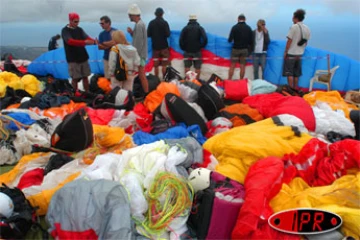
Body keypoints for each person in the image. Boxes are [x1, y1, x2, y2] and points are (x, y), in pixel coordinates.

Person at [61, 12, 97, 92]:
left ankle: (87, 92)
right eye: (75, 21)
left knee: (85, 77)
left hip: (83, 57)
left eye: (78, 21)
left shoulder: (79, 30)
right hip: (73, 59)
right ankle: (74, 94)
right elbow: (70, 41)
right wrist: (84, 43)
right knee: (75, 78)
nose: (77, 23)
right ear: (70, 21)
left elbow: (87, 38)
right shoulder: (65, 31)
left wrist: (95, 42)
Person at [283, 9, 311, 89]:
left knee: (289, 73)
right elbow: (306, 43)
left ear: (295, 18)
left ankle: (291, 90)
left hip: (291, 53)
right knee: (296, 73)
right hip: (300, 54)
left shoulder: (293, 27)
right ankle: (295, 89)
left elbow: (289, 40)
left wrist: (286, 51)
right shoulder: (307, 28)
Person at [127, 3, 149, 94]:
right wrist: (132, 33)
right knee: (141, 75)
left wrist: (135, 56)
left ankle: (146, 93)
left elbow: (139, 43)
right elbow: (138, 39)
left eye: (130, 15)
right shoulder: (139, 24)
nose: (129, 17)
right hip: (141, 54)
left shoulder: (139, 25)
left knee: (141, 75)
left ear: (133, 15)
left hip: (139, 55)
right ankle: (145, 92)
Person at [179, 15, 208, 79]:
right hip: (197, 51)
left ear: (189, 20)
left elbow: (181, 39)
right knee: (197, 67)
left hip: (187, 50)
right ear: (196, 20)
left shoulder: (185, 28)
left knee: (187, 67)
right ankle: (196, 82)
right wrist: (201, 46)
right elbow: (205, 39)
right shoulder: (200, 28)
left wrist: (183, 48)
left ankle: (188, 81)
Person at [147, 7, 171, 79]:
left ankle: (156, 80)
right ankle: (164, 79)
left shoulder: (151, 23)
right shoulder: (165, 23)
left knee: (156, 65)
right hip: (164, 47)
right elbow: (168, 34)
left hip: (155, 47)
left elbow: (148, 34)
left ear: (155, 14)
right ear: (162, 14)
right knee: (164, 65)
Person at [228, 14, 252, 80]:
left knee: (232, 65)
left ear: (238, 19)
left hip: (235, 49)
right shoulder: (248, 28)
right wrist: (250, 51)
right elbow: (251, 41)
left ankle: (229, 79)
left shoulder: (234, 27)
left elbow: (230, 40)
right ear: (245, 19)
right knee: (242, 66)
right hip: (244, 50)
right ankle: (241, 81)